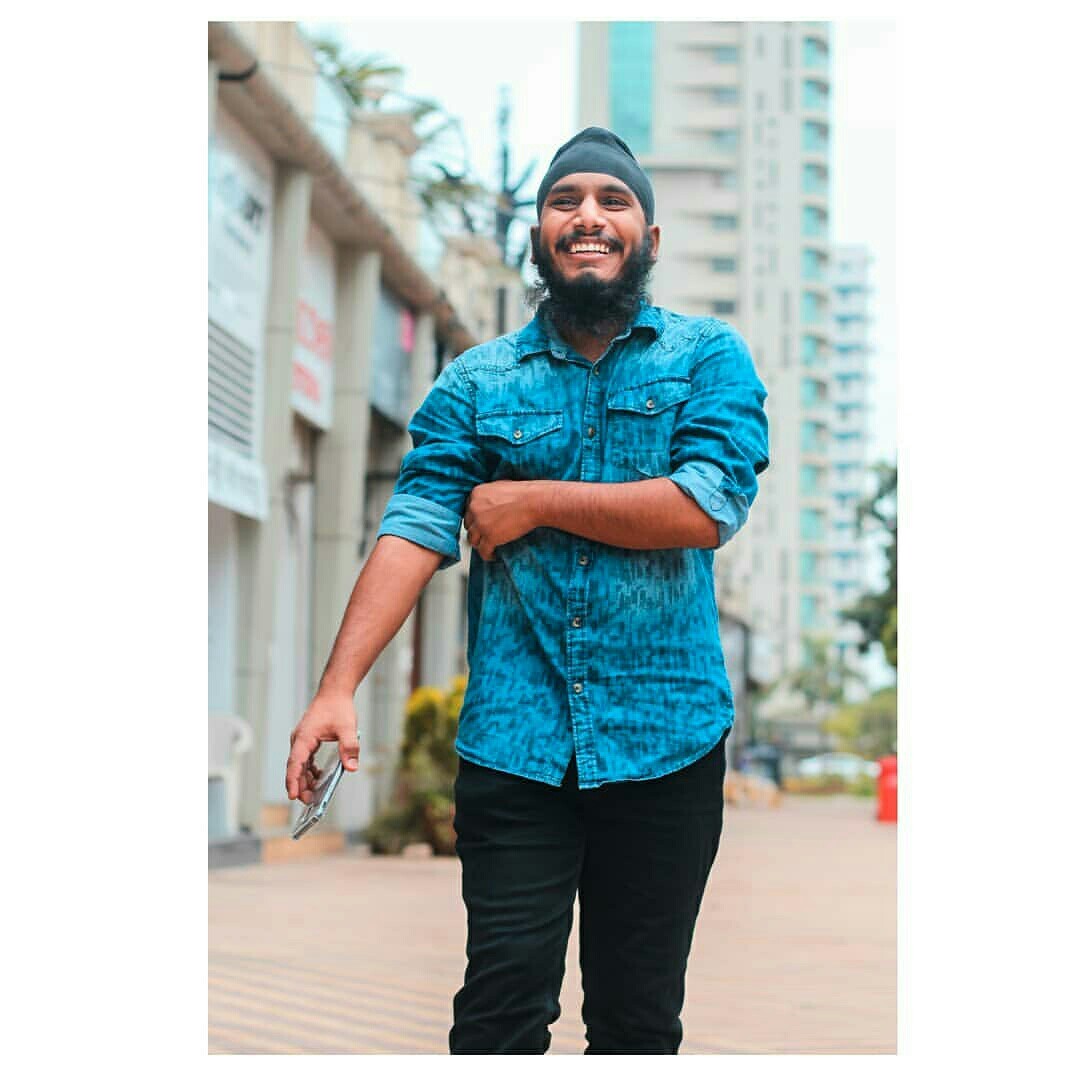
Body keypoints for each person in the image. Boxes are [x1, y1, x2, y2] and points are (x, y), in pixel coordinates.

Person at [286, 126, 770, 1055]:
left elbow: (705, 505)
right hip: (516, 745)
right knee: (499, 1012)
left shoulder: (707, 358)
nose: (588, 216)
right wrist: (336, 688)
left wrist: (532, 500)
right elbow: (415, 526)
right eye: (564, 201)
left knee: (637, 1021)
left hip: (667, 744)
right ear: (540, 236)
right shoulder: (477, 381)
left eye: (613, 201)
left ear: (648, 238)